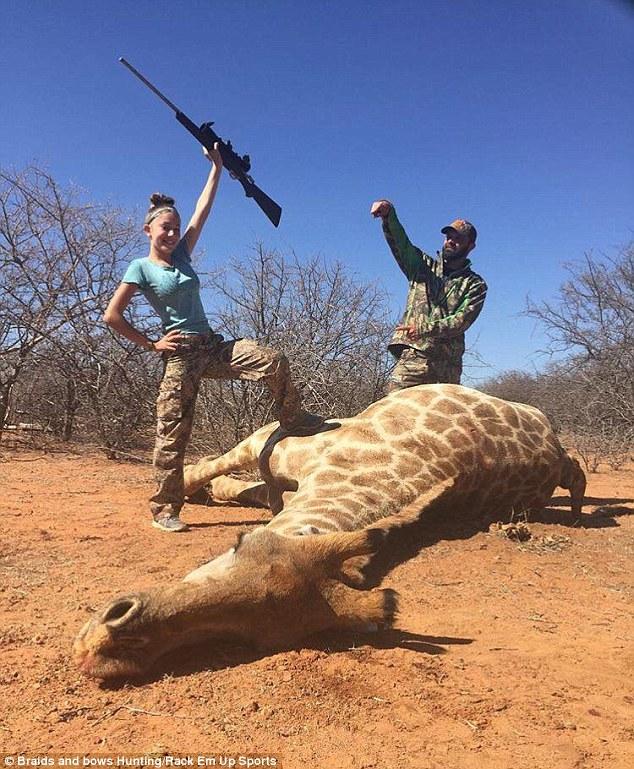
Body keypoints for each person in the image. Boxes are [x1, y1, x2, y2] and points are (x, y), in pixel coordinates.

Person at [104, 145, 321, 532]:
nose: (171, 233)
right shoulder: (139, 267)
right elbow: (112, 315)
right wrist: (152, 344)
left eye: (175, 227)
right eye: (164, 228)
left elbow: (204, 207)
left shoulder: (184, 254)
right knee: (172, 433)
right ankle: (166, 509)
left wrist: (217, 168)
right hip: (182, 356)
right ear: (148, 230)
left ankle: (292, 417)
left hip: (212, 346)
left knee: (271, 359)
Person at [371, 200, 487, 391]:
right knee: (394, 414)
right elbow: (401, 244)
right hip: (413, 361)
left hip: (448, 369)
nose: (450, 241)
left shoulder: (476, 284)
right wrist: (389, 215)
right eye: (448, 236)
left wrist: (424, 328)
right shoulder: (421, 267)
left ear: (471, 246)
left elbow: (461, 321)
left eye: (458, 239)